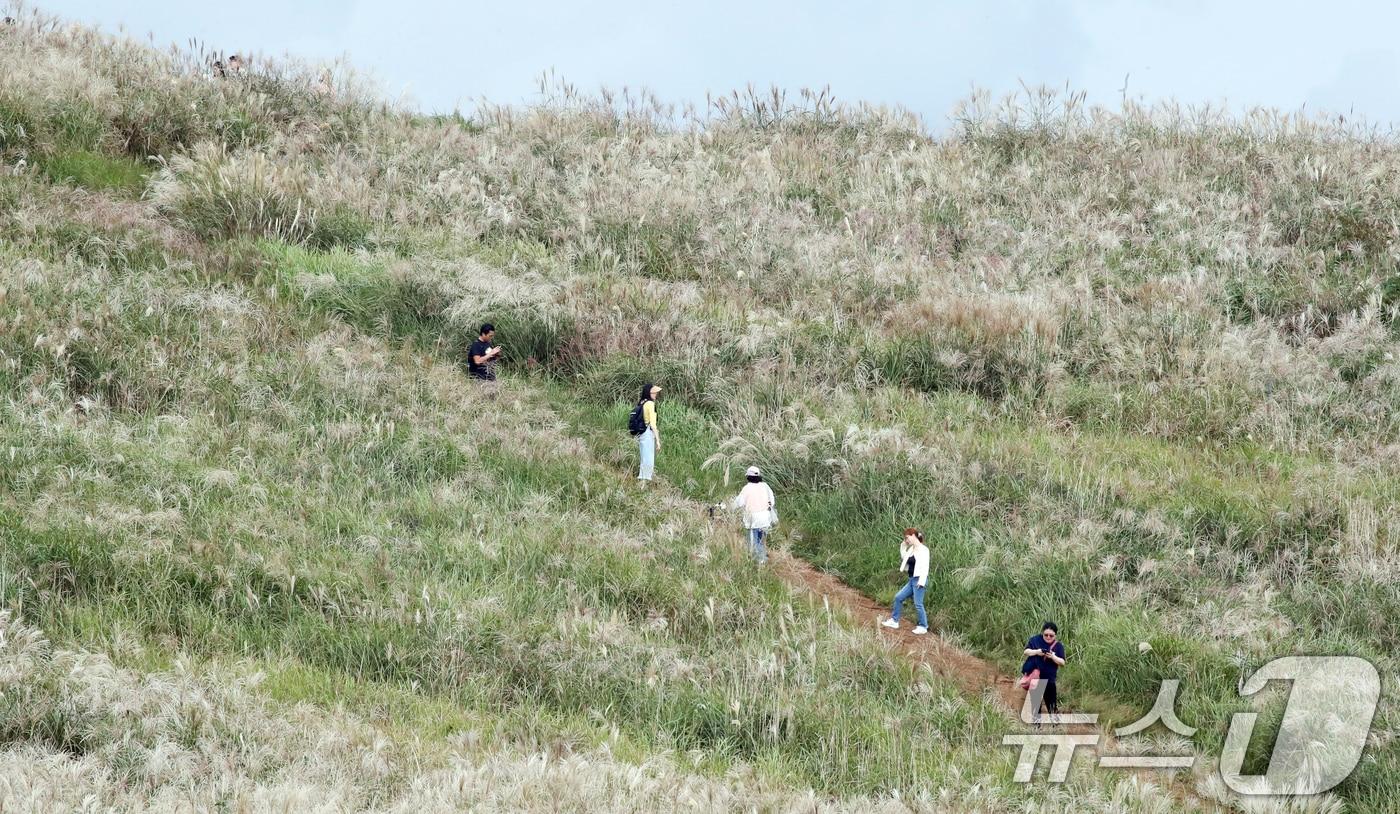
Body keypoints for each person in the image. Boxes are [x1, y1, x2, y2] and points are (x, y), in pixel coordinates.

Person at [881, 528, 929, 635]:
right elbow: (904, 557)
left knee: (918, 604)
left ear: (913, 535)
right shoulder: (911, 549)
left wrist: (921, 582)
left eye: (907, 538)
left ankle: (923, 626)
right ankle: (894, 621)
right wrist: (903, 545)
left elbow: (925, 566)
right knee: (898, 597)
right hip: (912, 579)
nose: (906, 540)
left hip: (919, 579)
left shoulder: (924, 550)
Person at [1021, 622, 1067, 724]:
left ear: (1055, 635)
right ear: (1042, 633)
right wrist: (1037, 652)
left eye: (1051, 635)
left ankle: (1056, 727)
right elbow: (1026, 651)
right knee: (1035, 705)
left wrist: (1053, 657)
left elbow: (1063, 662)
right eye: (1046, 635)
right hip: (1036, 678)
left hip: (1049, 679)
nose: (1048, 637)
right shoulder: (1035, 640)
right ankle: (1036, 728)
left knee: (1052, 705)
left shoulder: (1058, 646)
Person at [731, 466, 776, 564]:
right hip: (766, 519)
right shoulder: (765, 486)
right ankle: (762, 558)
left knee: (753, 543)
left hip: (753, 520)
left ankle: (761, 562)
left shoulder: (747, 488)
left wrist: (730, 507)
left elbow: (739, 503)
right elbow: (772, 502)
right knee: (761, 541)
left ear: (748, 477)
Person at [634, 383, 661, 483]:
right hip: (648, 433)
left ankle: (642, 482)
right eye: (654, 393)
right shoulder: (650, 404)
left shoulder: (642, 402)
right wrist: (658, 440)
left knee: (643, 457)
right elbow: (653, 425)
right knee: (648, 459)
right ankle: (643, 483)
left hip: (641, 433)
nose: (656, 394)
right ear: (649, 393)